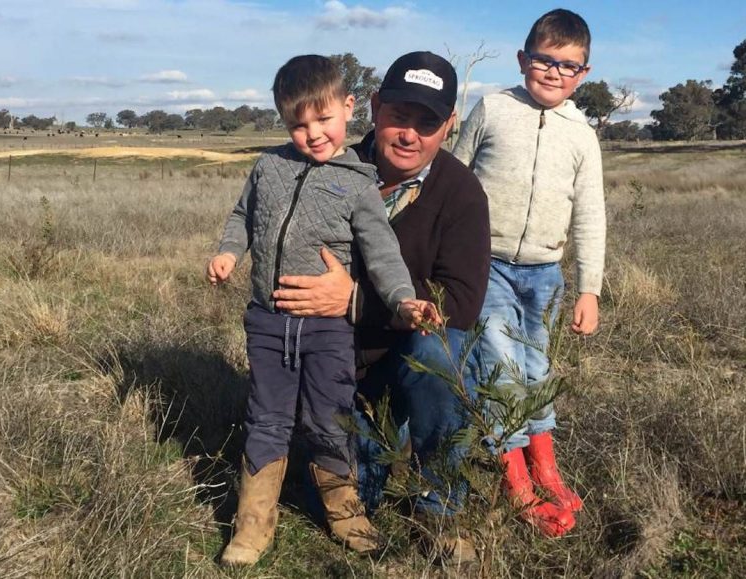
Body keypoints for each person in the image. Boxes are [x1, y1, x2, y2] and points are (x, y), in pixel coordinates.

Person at [208, 54, 439, 567]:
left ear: (348, 107)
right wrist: (228, 252)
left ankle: (347, 514)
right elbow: (243, 217)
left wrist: (403, 300)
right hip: (267, 323)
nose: (313, 134)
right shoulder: (268, 167)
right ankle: (252, 526)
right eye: (298, 124)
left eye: (323, 120)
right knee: (265, 417)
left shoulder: (359, 183)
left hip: (329, 330)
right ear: (284, 122)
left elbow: (381, 253)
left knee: (329, 419)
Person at [272, 51, 491, 564]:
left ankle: (441, 506)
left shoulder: (461, 194)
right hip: (340, 361)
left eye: (427, 122)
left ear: (450, 125)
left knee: (442, 355)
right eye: (399, 116)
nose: (409, 134)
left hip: (410, 355)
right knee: (335, 504)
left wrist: (353, 300)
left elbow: (458, 303)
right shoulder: (328, 167)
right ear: (373, 107)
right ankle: (370, 438)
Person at [452, 8, 605, 537]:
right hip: (484, 265)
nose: (555, 73)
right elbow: (454, 177)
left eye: (569, 66)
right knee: (499, 367)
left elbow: (590, 213)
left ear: (583, 73)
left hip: (545, 274)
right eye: (545, 61)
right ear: (523, 60)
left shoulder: (582, 133)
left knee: (536, 371)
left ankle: (546, 465)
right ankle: (515, 479)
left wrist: (589, 288)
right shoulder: (492, 110)